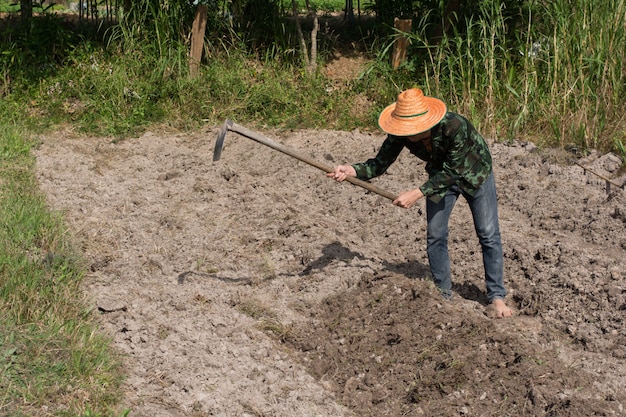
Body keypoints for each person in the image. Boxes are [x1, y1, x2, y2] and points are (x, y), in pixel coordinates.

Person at [327, 88, 513, 318]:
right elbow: (378, 163)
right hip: (439, 177)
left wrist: (417, 193)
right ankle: (443, 294)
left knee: (487, 233)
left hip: (475, 173)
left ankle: (497, 298)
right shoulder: (400, 134)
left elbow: (454, 171)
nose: (406, 133)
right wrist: (351, 170)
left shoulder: (454, 126)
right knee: (435, 234)